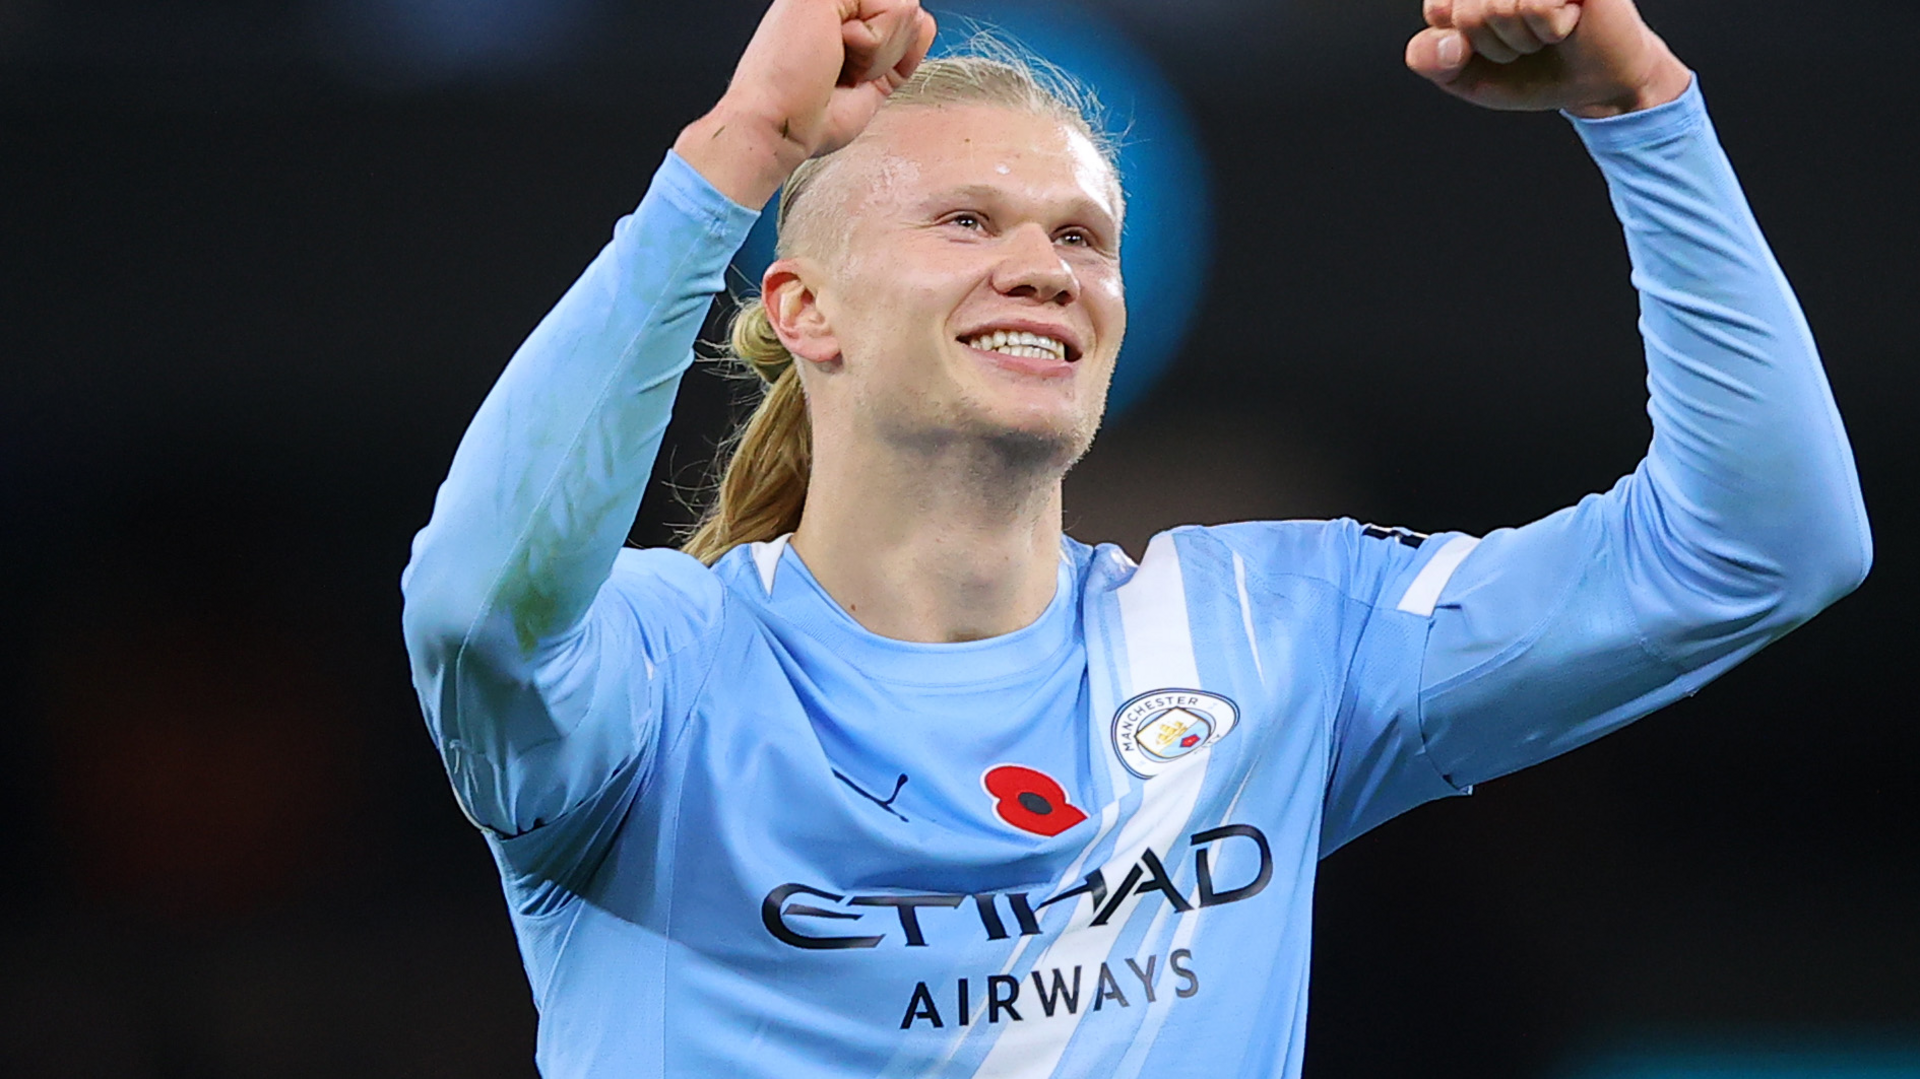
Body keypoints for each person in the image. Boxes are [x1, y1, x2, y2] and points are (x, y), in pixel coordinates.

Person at [400, 0, 1871, 1074]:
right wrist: (734, 155)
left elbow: (1759, 547)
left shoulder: (1273, 637)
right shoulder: (663, 672)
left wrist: (1641, 107)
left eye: (1080, 237)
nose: (1045, 268)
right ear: (804, 311)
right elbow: (476, 607)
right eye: (966, 222)